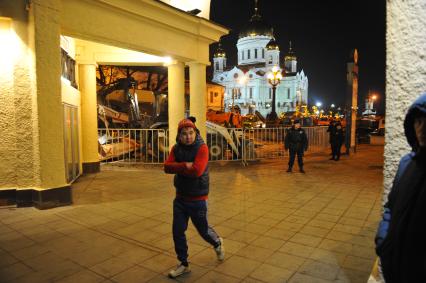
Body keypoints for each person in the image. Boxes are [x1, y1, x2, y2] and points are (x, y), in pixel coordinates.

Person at [375, 94, 426, 283]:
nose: (422, 128)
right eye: (418, 121)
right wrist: (383, 243)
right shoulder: (407, 163)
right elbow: (391, 207)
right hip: (395, 269)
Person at [164, 118, 225, 278]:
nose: (188, 137)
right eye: (184, 134)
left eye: (191, 133)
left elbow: (197, 171)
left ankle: (217, 242)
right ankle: (183, 264)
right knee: (177, 231)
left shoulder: (202, 148)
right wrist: (185, 165)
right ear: (179, 136)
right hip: (180, 199)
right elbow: (167, 167)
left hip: (198, 199)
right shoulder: (176, 149)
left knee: (203, 231)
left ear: (196, 132)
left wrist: (180, 167)